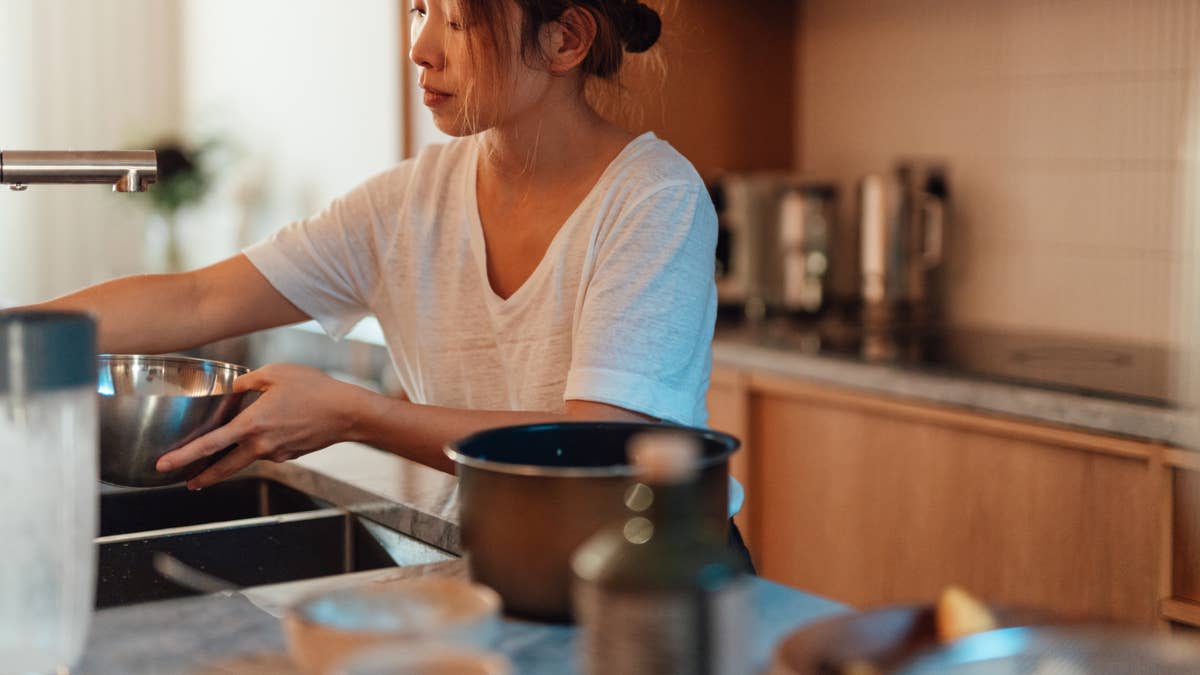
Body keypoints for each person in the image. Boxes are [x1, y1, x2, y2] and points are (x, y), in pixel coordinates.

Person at [30, 0, 718, 493]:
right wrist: (17, 340)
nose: (419, 46)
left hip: (653, 586)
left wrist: (358, 413)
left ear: (565, 39)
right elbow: (198, 297)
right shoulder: (408, 204)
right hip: (501, 572)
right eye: (418, 9)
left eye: (455, 18)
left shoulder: (653, 199)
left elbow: (600, 448)